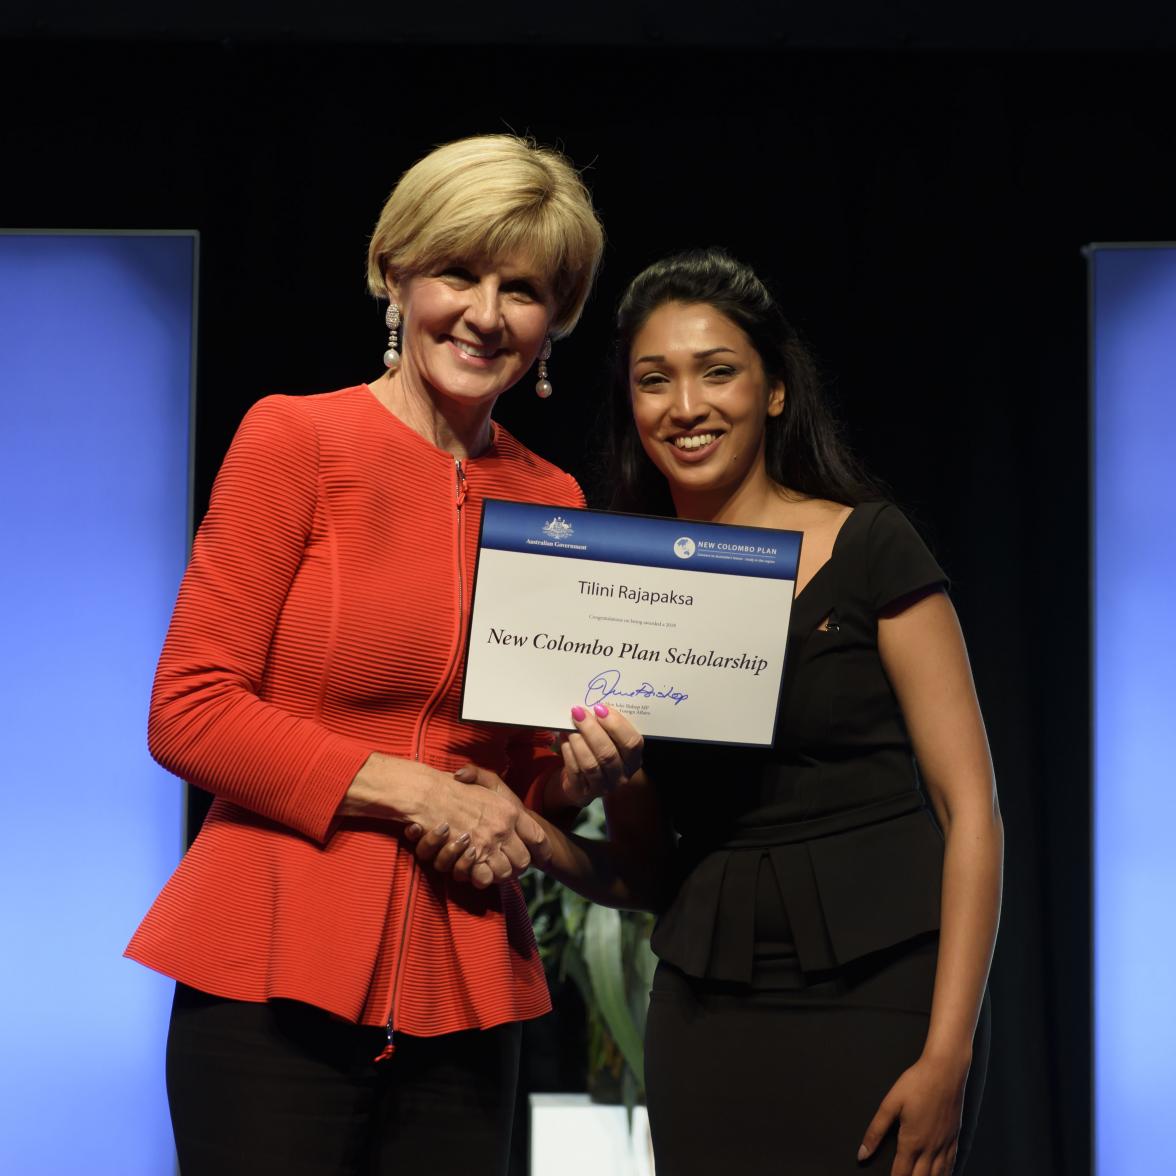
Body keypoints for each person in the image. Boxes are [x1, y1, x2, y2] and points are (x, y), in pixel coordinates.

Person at [426, 247, 1002, 1174]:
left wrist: (950, 1052)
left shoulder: (871, 547)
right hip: (706, 1014)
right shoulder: (619, 593)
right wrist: (537, 833)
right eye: (654, 381)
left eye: (717, 371)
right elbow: (650, 876)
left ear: (774, 391)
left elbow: (970, 811)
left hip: (883, 994)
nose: (685, 406)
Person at [125, 134, 631, 1176]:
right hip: (269, 969)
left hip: (465, 985)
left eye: (524, 288)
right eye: (458, 272)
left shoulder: (556, 503)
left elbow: (512, 779)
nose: (486, 314)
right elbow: (190, 708)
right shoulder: (293, 441)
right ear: (393, 272)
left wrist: (570, 778)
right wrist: (411, 791)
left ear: (556, 321)